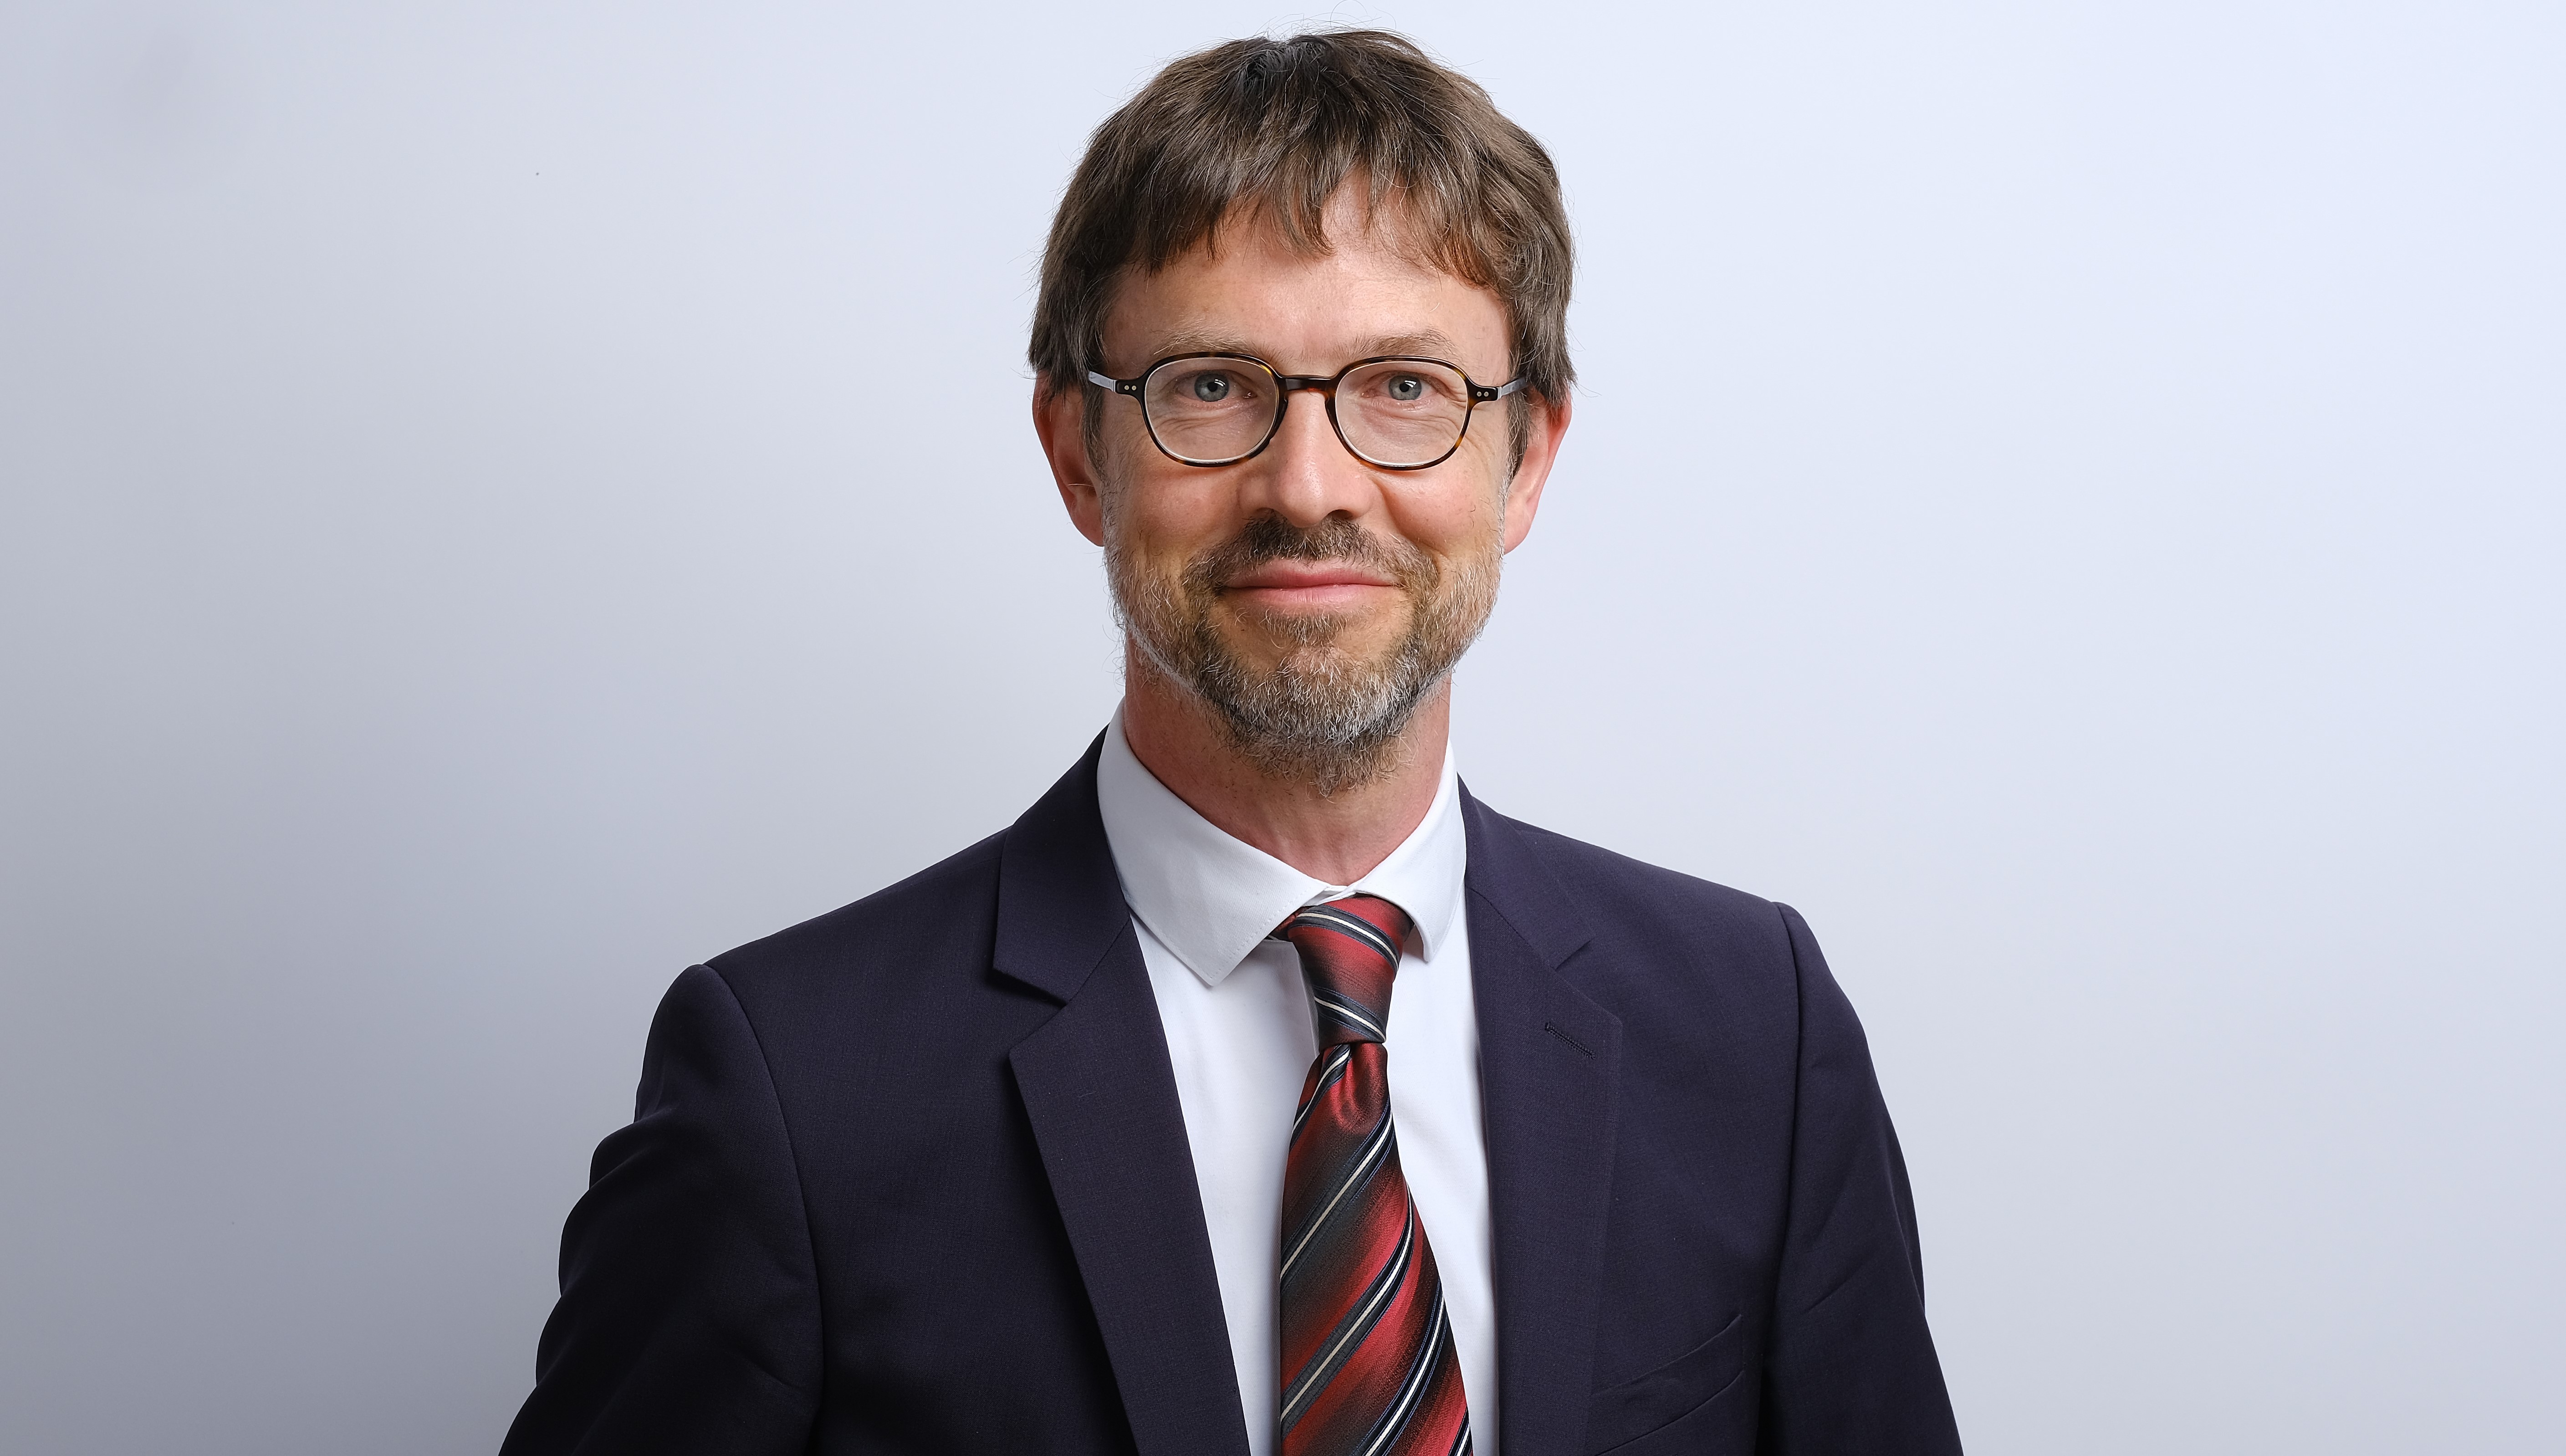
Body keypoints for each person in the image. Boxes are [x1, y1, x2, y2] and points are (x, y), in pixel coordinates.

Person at [499, 30, 1961, 1456]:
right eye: (1210, 385)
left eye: (1405, 387)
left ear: (1526, 462)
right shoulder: (796, 1089)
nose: (1307, 485)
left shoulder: (1753, 1032)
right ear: (1078, 454)